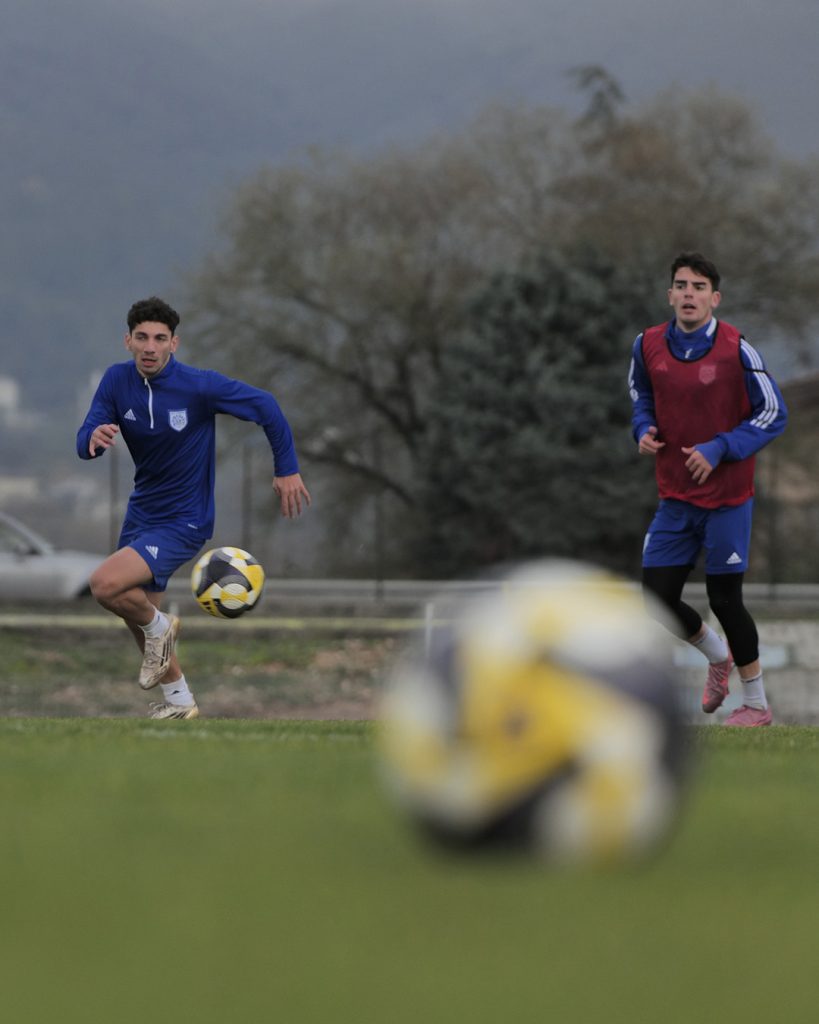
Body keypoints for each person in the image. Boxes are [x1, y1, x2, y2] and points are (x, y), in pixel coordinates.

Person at [77, 297, 311, 720]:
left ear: (174, 343)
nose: (150, 347)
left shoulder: (199, 386)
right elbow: (85, 437)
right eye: (142, 337)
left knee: (106, 586)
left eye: (159, 338)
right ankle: (180, 702)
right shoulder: (116, 381)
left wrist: (287, 469)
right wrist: (92, 438)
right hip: (141, 513)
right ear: (128, 341)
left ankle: (163, 627)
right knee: (137, 613)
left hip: (185, 519)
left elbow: (266, 406)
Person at [628, 252, 787, 726]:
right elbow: (641, 394)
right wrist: (642, 428)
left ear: (714, 298)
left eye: (699, 287)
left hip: (727, 501)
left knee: (725, 599)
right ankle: (718, 658)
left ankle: (755, 705)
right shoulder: (646, 344)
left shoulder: (738, 348)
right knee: (656, 597)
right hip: (675, 498)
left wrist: (720, 447)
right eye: (681, 285)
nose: (689, 294)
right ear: (669, 295)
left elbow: (773, 413)